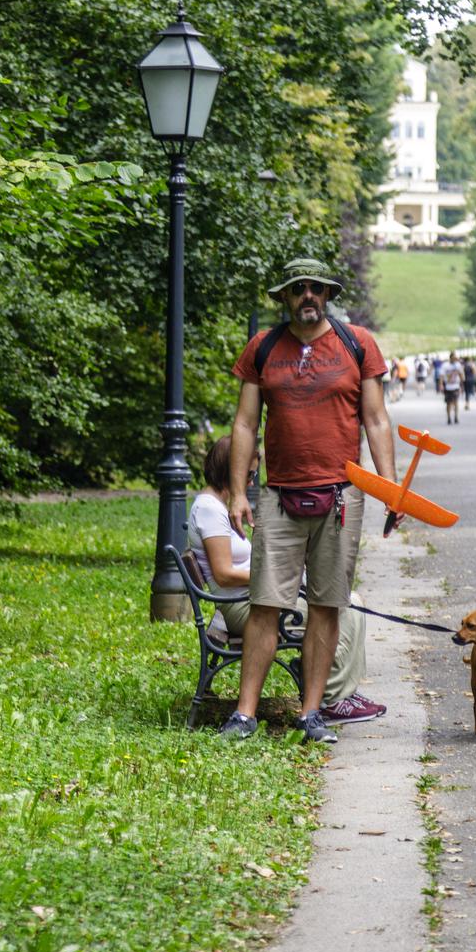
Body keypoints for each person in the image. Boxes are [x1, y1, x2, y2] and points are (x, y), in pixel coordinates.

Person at [222, 257, 396, 745]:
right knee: (265, 603)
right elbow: (244, 424)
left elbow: (376, 419)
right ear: (284, 296)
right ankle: (244, 715)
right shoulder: (264, 348)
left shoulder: (356, 344)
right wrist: (238, 492)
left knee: (326, 604)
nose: (307, 296)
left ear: (328, 294)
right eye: (298, 288)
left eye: (316, 288)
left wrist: (390, 488)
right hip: (279, 496)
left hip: (341, 497)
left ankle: (312, 713)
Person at [189, 437, 386, 727]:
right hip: (241, 606)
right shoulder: (209, 509)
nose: (252, 481)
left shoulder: (216, 505)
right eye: (249, 474)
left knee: (349, 601)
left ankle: (342, 691)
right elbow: (223, 573)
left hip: (252, 597)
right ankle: (332, 699)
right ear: (231, 468)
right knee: (342, 608)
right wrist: (278, 578)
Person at [441, 351, 464, 423]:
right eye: (454, 358)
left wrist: (462, 385)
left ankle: (456, 417)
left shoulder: (458, 365)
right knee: (448, 403)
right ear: (450, 358)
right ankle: (449, 418)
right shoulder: (445, 365)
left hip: (456, 386)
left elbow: (461, 375)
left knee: (456, 402)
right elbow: (441, 376)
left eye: (456, 358)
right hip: (448, 387)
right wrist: (441, 385)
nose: (455, 359)